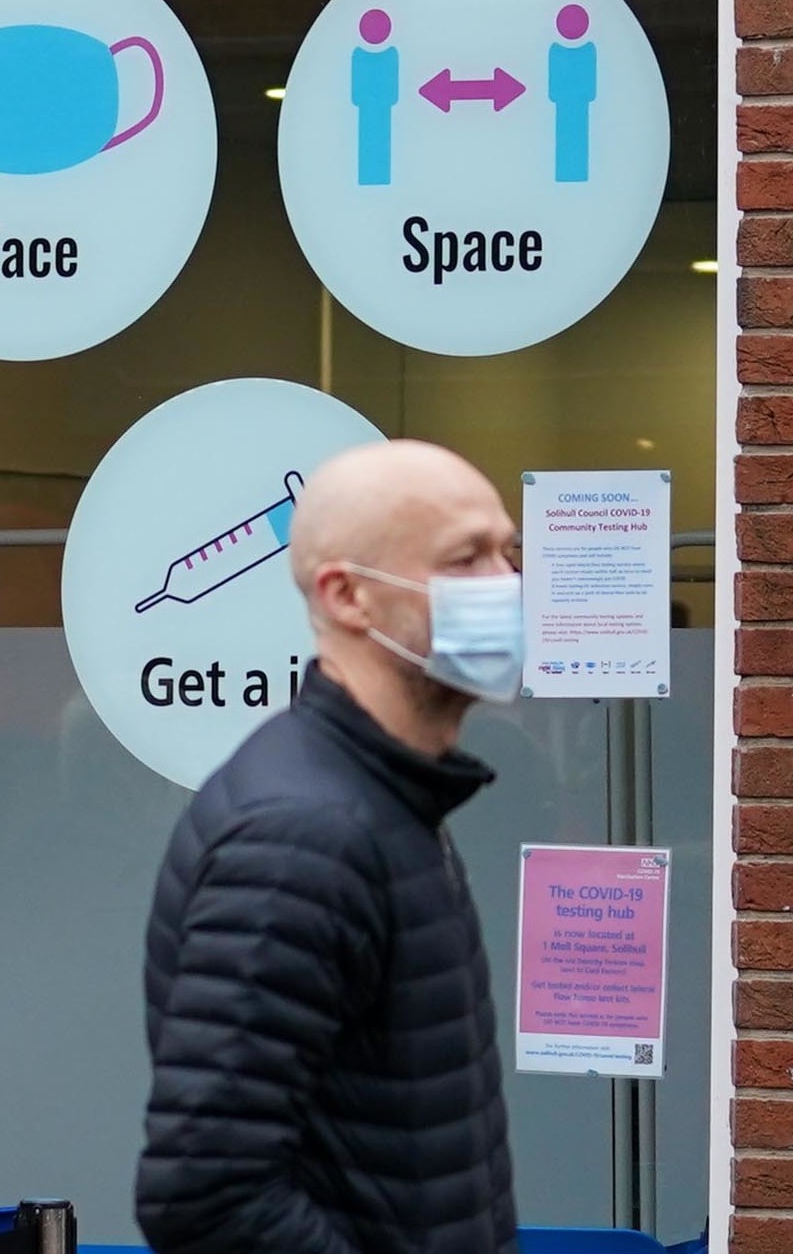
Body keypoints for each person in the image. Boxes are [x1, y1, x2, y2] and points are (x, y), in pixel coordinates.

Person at [136, 438, 523, 1254]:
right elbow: (205, 1195)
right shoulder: (303, 836)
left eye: (508, 553)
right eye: (465, 559)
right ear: (347, 595)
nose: (504, 584)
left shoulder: (388, 796)